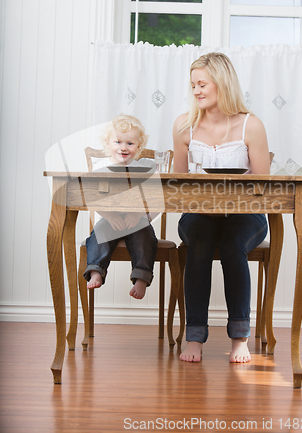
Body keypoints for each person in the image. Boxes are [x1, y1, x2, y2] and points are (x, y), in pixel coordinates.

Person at [172, 52, 270, 363]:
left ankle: (240, 338)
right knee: (199, 242)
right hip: (199, 213)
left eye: (203, 84)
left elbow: (263, 188)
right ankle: (195, 338)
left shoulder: (250, 126)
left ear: (222, 84)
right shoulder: (183, 127)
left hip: (246, 214)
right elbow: (178, 185)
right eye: (193, 85)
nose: (196, 91)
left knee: (231, 245)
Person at [83, 114, 158, 300]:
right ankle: (96, 270)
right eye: (117, 142)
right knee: (99, 233)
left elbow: (157, 200)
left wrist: (140, 214)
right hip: (110, 219)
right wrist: (109, 216)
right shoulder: (101, 167)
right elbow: (93, 199)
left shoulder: (145, 169)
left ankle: (141, 277)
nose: (123, 147)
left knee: (146, 237)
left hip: (137, 220)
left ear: (138, 146)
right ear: (107, 144)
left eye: (130, 143)